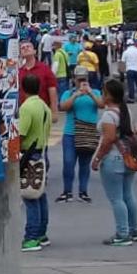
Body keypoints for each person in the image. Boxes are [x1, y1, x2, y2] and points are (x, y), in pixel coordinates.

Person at [91, 78, 137, 246]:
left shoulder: (108, 115)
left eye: (104, 92)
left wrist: (97, 159)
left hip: (113, 160)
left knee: (116, 199)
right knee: (128, 195)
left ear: (110, 96)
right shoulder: (127, 112)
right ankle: (134, 230)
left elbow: (108, 140)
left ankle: (122, 233)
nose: (102, 95)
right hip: (128, 158)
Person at [56, 67, 103, 204]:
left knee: (84, 163)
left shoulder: (95, 92)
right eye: (79, 79)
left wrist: (90, 93)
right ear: (74, 79)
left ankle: (83, 191)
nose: (82, 82)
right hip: (71, 133)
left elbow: (101, 104)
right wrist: (76, 94)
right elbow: (63, 107)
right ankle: (67, 191)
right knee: (68, 162)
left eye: (84, 79)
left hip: (88, 132)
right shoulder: (68, 93)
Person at [18, 73, 54, 252]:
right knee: (40, 194)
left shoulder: (26, 108)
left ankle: (31, 236)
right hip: (42, 151)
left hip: (29, 155)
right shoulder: (44, 106)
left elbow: (22, 133)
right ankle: (41, 233)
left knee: (30, 196)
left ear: (23, 88)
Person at [17, 40, 59, 114]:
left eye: (28, 46)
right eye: (23, 48)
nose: (26, 48)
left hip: (42, 111)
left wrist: (54, 111)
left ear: (34, 51)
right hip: (24, 111)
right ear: (20, 54)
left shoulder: (45, 68)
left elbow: (52, 89)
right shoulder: (19, 72)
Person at [122, 39, 137, 103]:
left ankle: (131, 98)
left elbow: (123, 63)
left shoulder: (125, 52)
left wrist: (122, 72)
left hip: (129, 69)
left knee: (131, 85)